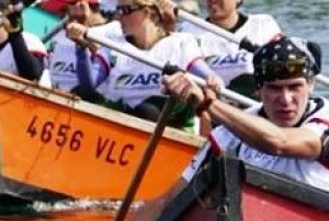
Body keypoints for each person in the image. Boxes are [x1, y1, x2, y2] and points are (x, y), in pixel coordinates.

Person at [84, 35, 329, 221]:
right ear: (258, 89)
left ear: (311, 86)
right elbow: (171, 198)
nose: (286, 99)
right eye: (275, 89)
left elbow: (279, 142)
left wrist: (206, 103)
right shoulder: (230, 135)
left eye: (295, 87)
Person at [64, 0, 219, 131]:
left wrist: (212, 81)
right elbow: (90, 84)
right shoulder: (114, 44)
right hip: (118, 128)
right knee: (81, 93)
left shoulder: (181, 42)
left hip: (168, 133)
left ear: (146, 12)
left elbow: (211, 79)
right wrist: (81, 49)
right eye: (118, 10)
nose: (119, 17)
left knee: (147, 110)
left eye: (125, 10)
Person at [158, 0, 281, 98]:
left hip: (254, 100)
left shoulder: (263, 24)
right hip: (210, 103)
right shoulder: (188, 31)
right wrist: (168, 28)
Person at [47, 0, 111, 101]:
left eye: (64, 10)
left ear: (82, 5)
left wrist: (82, 46)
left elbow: (90, 86)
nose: (61, 16)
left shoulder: (110, 35)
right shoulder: (60, 37)